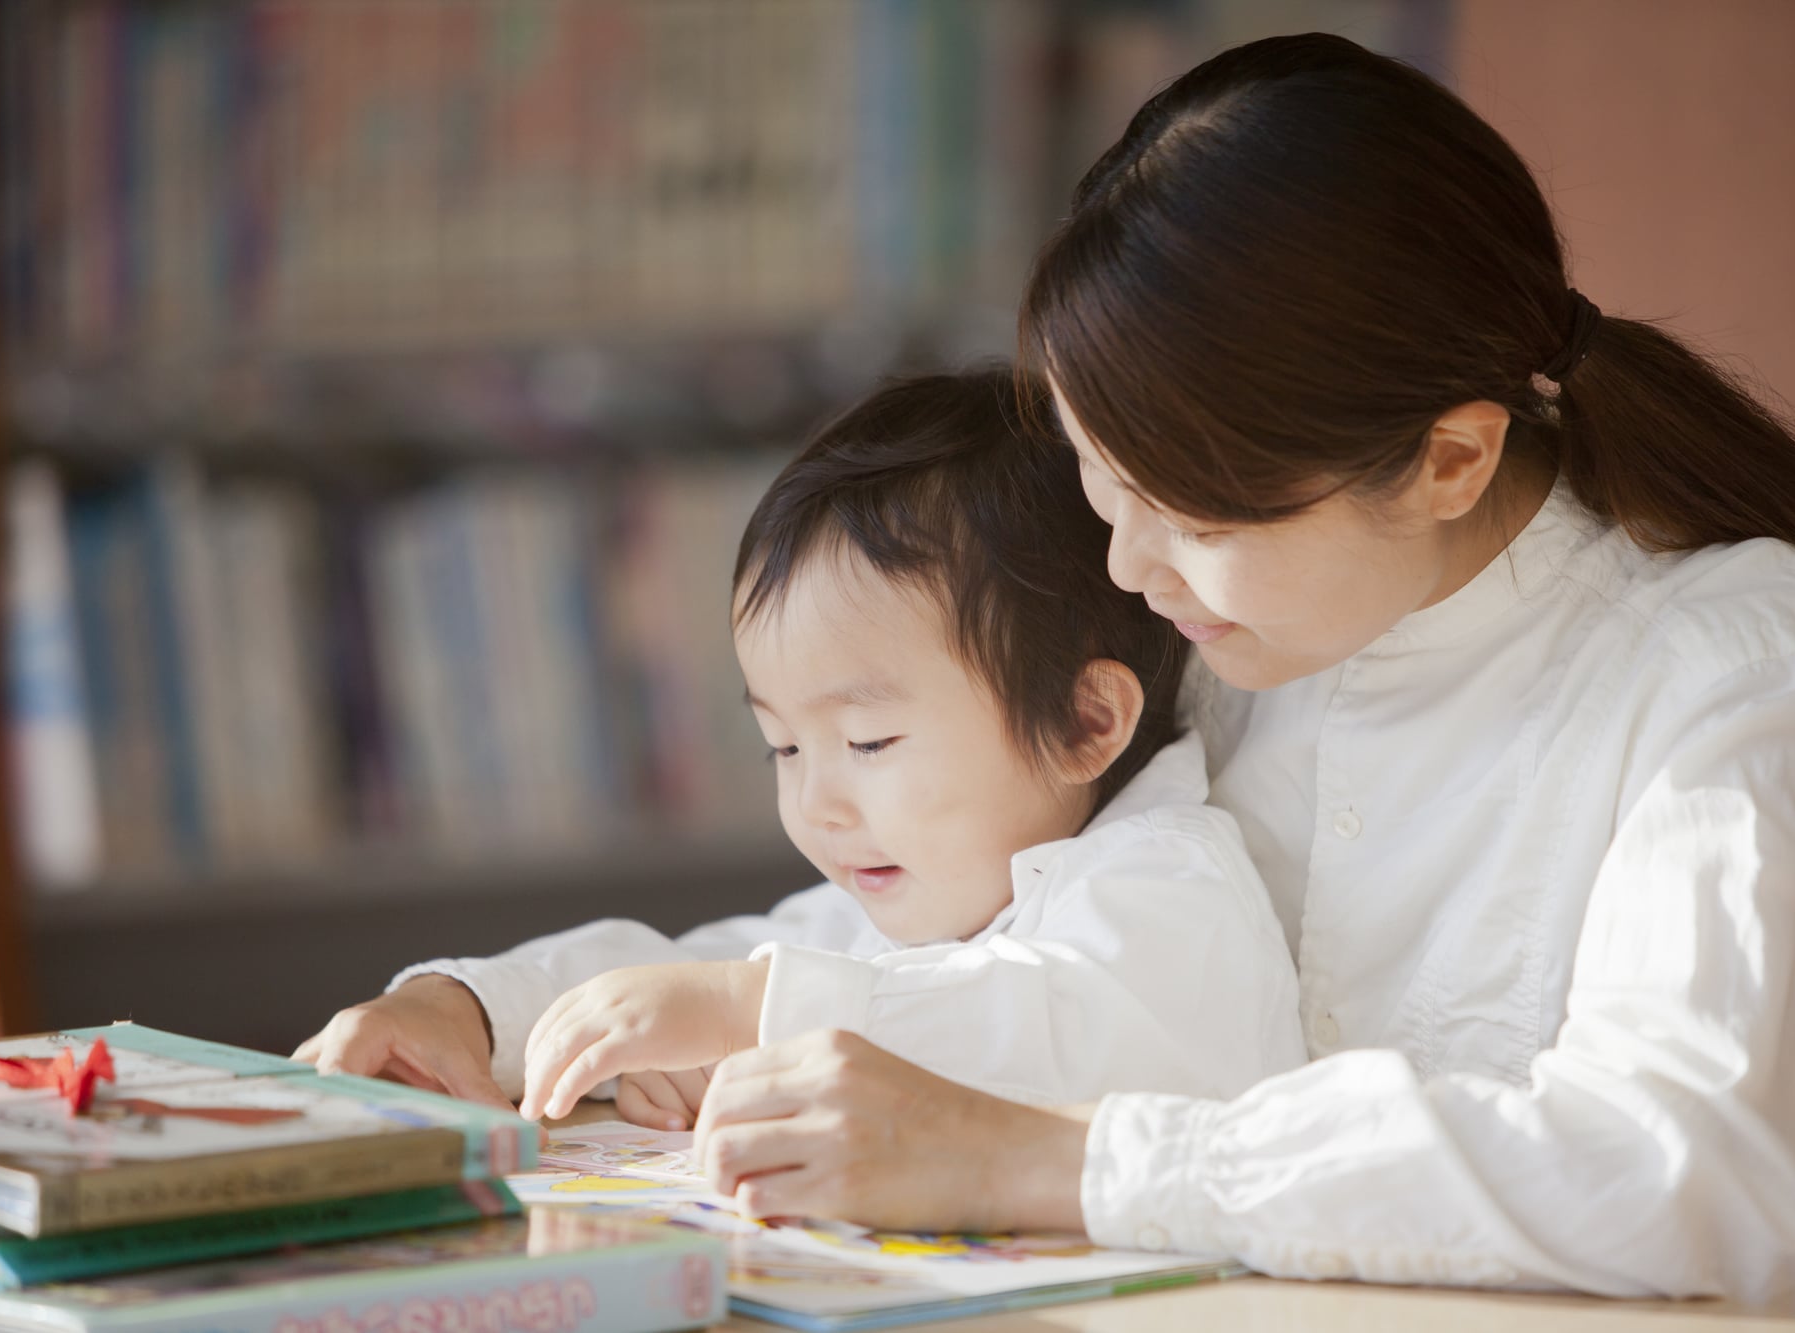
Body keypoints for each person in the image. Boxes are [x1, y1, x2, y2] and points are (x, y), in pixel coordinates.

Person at [669, 33, 1795, 1320]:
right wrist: (500, 1010)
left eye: (1199, 523)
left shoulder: (1739, 668)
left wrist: (1057, 1158)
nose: (1128, 567)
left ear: (1450, 458)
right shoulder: (1222, 645)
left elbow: (1693, 1176)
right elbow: (935, 912)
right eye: (1107, 491)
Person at [297, 369, 1308, 1131]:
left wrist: (751, 1013)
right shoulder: (914, 897)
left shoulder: (1170, 881)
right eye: (782, 745)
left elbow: (1062, 1031)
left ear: (1085, 722)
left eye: (867, 739)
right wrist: (464, 1012)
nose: (817, 803)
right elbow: (686, 966)